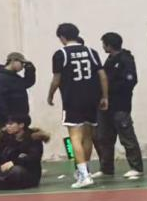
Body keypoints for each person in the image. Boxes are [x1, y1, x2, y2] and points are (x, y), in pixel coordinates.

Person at [46, 23, 108, 189]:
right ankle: (84, 171)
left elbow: (57, 79)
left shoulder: (61, 54)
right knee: (88, 137)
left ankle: (84, 175)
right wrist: (104, 96)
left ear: (62, 37)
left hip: (72, 100)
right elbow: (102, 75)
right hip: (91, 99)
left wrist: (50, 94)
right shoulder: (91, 52)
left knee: (75, 137)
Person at [95, 32, 144, 179]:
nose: (103, 47)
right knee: (104, 138)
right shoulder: (110, 59)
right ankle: (106, 168)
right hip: (105, 106)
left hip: (120, 105)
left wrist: (109, 90)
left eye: (104, 44)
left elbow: (130, 80)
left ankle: (136, 167)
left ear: (109, 45)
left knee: (127, 137)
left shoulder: (125, 59)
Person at [0, 114, 48, 191]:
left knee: (16, 171)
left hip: (28, 174)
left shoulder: (33, 138)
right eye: (6, 124)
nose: (7, 126)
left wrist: (13, 162)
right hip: (5, 170)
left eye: (11, 124)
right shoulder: (6, 137)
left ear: (21, 125)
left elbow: (33, 158)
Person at [0, 52, 36, 129]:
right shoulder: (0, 77)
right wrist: (8, 119)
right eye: (21, 63)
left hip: (18, 119)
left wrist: (30, 70)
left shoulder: (13, 76)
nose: (22, 66)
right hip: (9, 121)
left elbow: (27, 83)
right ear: (13, 61)